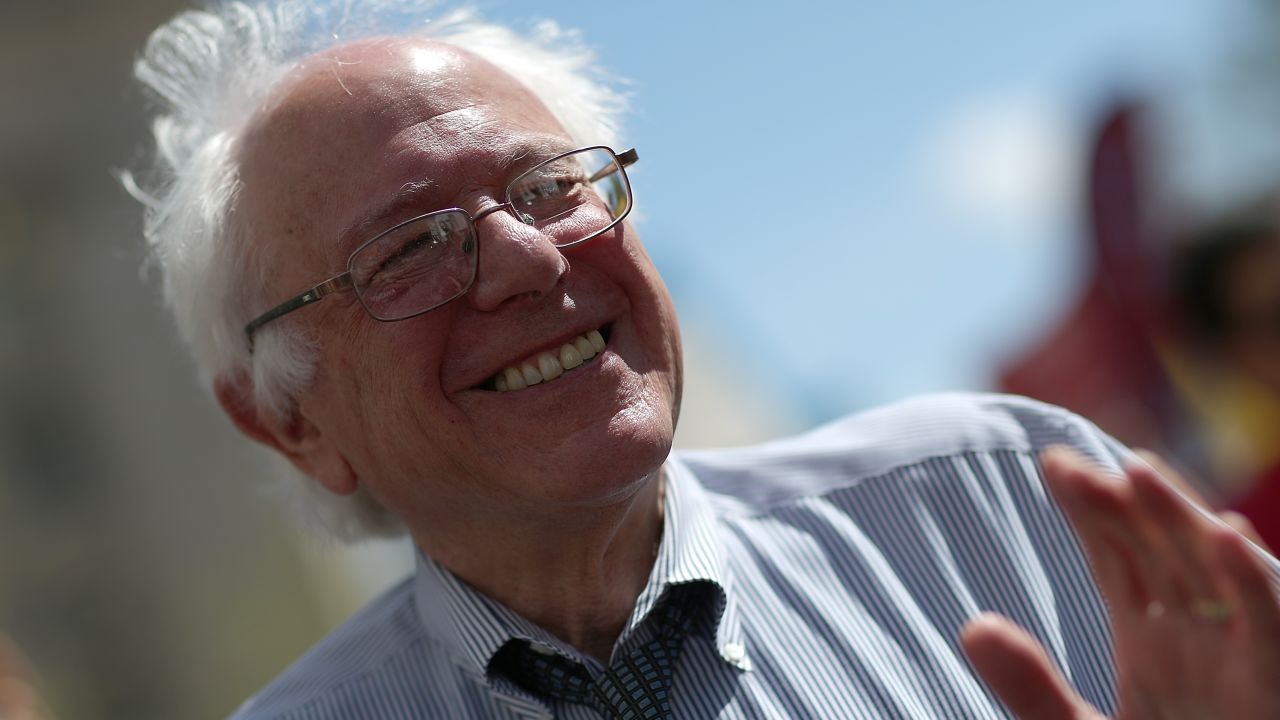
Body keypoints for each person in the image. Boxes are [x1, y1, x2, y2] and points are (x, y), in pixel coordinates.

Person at [127, 3, 1280, 718]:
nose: (525, 258)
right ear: (290, 423)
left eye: (548, 188)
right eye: (410, 247)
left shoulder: (1013, 501)